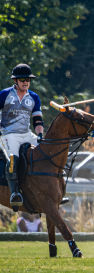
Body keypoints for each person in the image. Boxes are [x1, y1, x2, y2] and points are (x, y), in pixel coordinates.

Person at [0, 64, 44, 207]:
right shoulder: (5, 94)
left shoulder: (34, 97)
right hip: (8, 134)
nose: (26, 82)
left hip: (26, 134)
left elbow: (37, 120)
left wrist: (40, 135)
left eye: (28, 79)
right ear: (16, 81)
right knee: (13, 159)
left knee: (45, 152)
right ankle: (14, 193)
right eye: (23, 79)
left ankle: (50, 190)